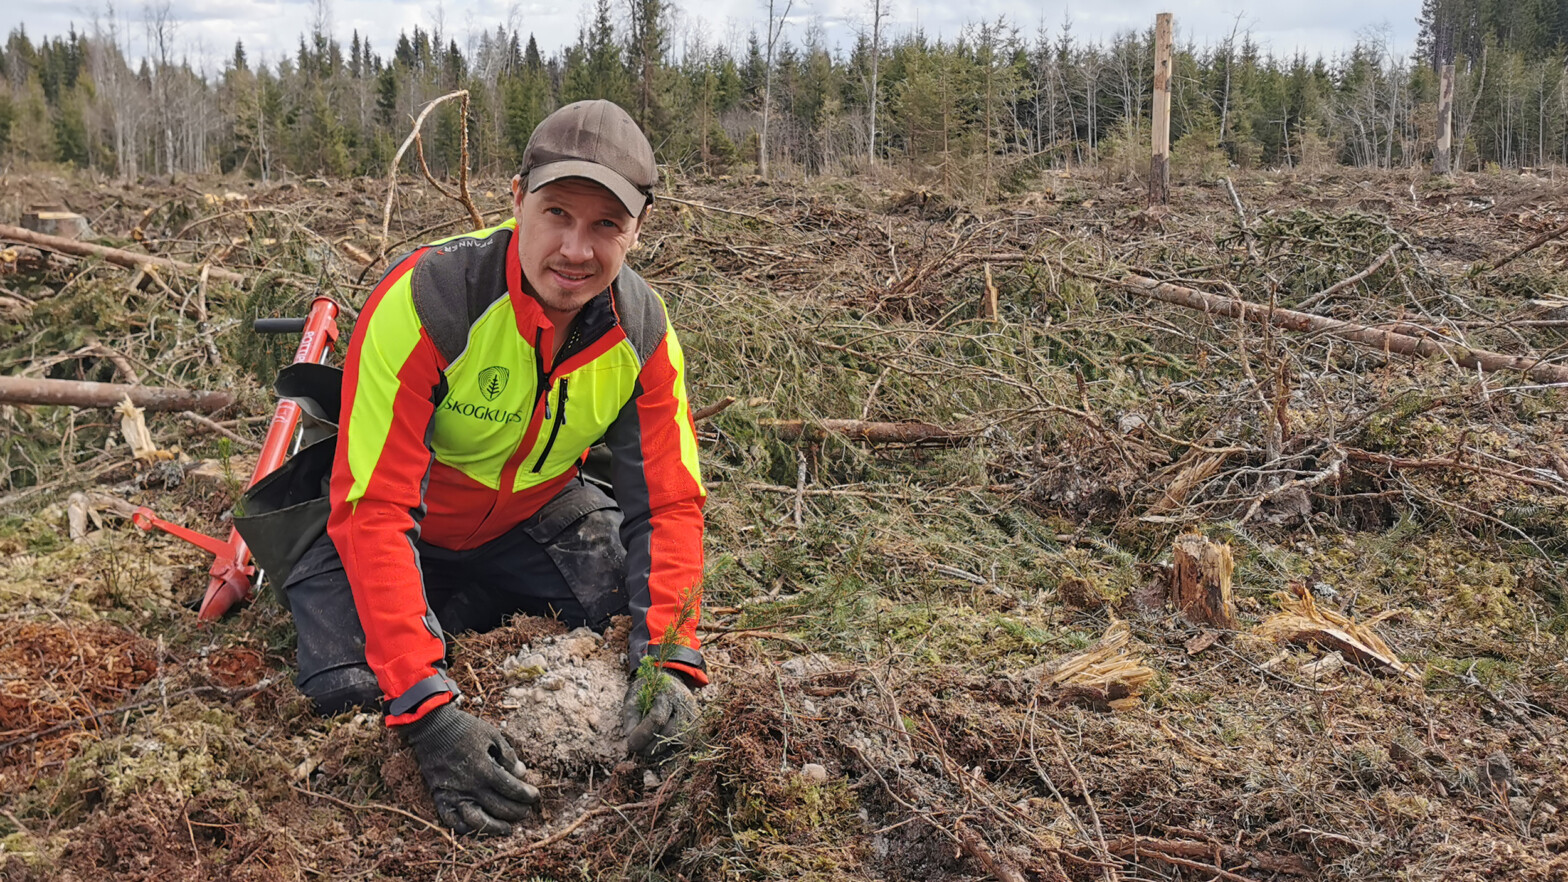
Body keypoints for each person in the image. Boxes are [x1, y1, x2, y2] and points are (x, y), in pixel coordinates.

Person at [280, 100, 707, 836]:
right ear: (517, 200)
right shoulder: (429, 301)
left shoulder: (642, 333)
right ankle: (428, 630)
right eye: (558, 213)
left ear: (638, 230)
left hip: (528, 517)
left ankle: (459, 610)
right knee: (348, 688)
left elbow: (668, 505)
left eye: (607, 224)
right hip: (389, 522)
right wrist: (428, 715)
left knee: (621, 604)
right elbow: (375, 508)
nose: (576, 248)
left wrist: (670, 659)